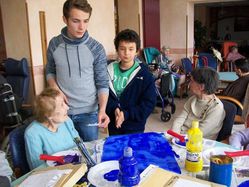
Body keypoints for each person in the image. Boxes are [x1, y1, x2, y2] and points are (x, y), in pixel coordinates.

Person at [45, 0, 110, 142]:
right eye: (76, 21)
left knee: (90, 155)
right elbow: (50, 71)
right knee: (66, 156)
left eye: (86, 21)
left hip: (89, 113)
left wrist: (102, 110)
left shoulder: (96, 48)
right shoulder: (54, 44)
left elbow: (102, 82)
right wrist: (56, 90)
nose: (82, 27)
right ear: (65, 19)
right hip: (61, 112)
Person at [106, 29, 157, 135]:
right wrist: (114, 108)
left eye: (131, 49)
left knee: (134, 151)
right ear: (117, 49)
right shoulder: (108, 70)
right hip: (114, 124)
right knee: (116, 150)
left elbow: (149, 104)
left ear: (137, 51)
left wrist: (126, 114)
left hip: (135, 126)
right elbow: (105, 96)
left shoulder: (144, 74)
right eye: (122, 49)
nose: (126, 53)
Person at [25, 88, 80, 169]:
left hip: (76, 167)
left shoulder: (67, 120)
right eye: (61, 105)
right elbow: (37, 168)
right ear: (48, 115)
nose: (67, 107)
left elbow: (79, 145)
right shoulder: (32, 133)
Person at [171, 67, 225, 140]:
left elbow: (200, 132)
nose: (189, 84)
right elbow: (179, 119)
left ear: (201, 87)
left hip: (198, 143)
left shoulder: (216, 108)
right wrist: (174, 135)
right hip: (181, 137)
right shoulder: (193, 99)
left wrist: (180, 138)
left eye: (192, 81)